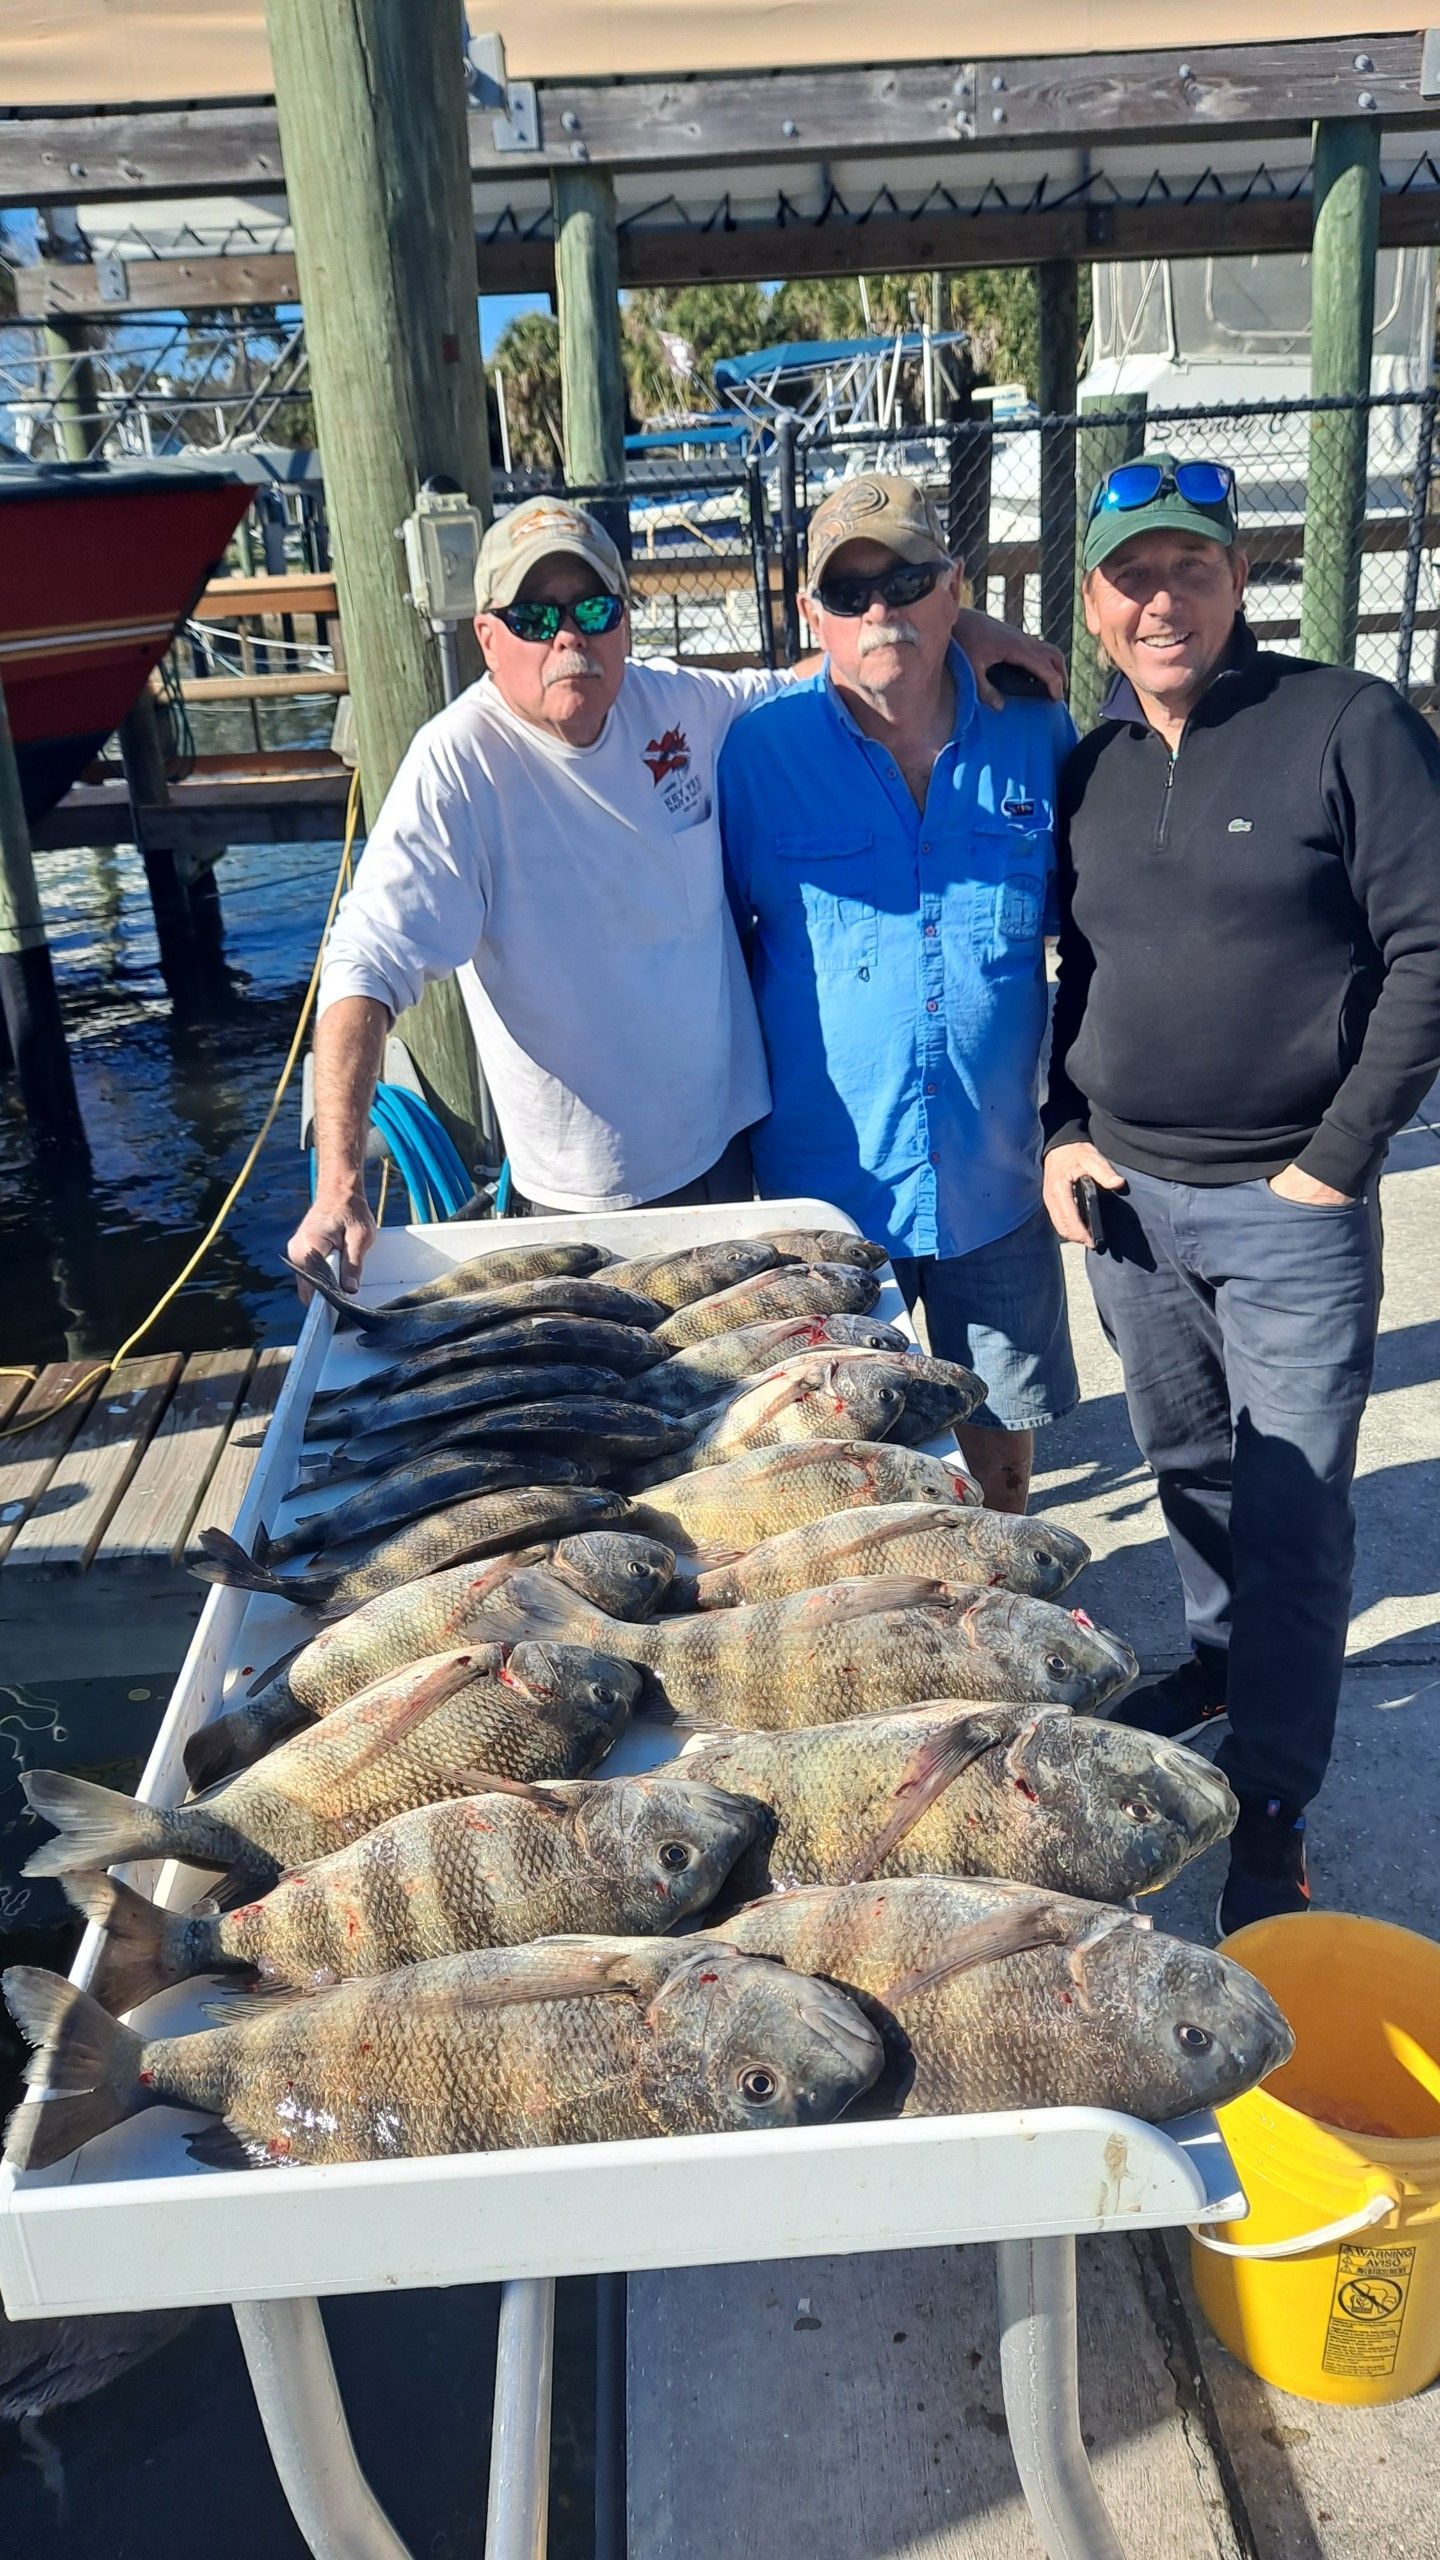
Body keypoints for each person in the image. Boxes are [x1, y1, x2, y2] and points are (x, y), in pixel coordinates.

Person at [288, 496, 1061, 1285]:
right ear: (488, 636)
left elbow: (834, 674)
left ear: (624, 620)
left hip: (729, 1155)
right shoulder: (454, 764)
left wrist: (944, 627)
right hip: (579, 1195)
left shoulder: (683, 706)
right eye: (532, 616)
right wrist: (341, 1183)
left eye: (593, 607)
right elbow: (365, 966)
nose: (568, 636)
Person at [1042, 450, 1440, 1931]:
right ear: (1092, 603)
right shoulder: (1087, 766)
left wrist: (1335, 1162)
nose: (1163, 602)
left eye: (1189, 571)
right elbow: (1074, 970)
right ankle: (1217, 1662)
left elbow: (1428, 950)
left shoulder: (1347, 724)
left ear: (1237, 579)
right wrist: (1060, 1128)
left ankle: (1272, 1802)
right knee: (1188, 1470)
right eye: (1133, 578)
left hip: (1289, 1209)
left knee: (1292, 1510)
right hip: (1129, 1208)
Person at [719, 475, 1080, 1513]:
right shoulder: (755, 748)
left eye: (909, 580)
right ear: (812, 614)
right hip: (827, 1194)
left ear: (953, 589)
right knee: (844, 1474)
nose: (881, 610)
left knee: (1003, 1444)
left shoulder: (1035, 732)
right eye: (851, 590)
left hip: (995, 1178)